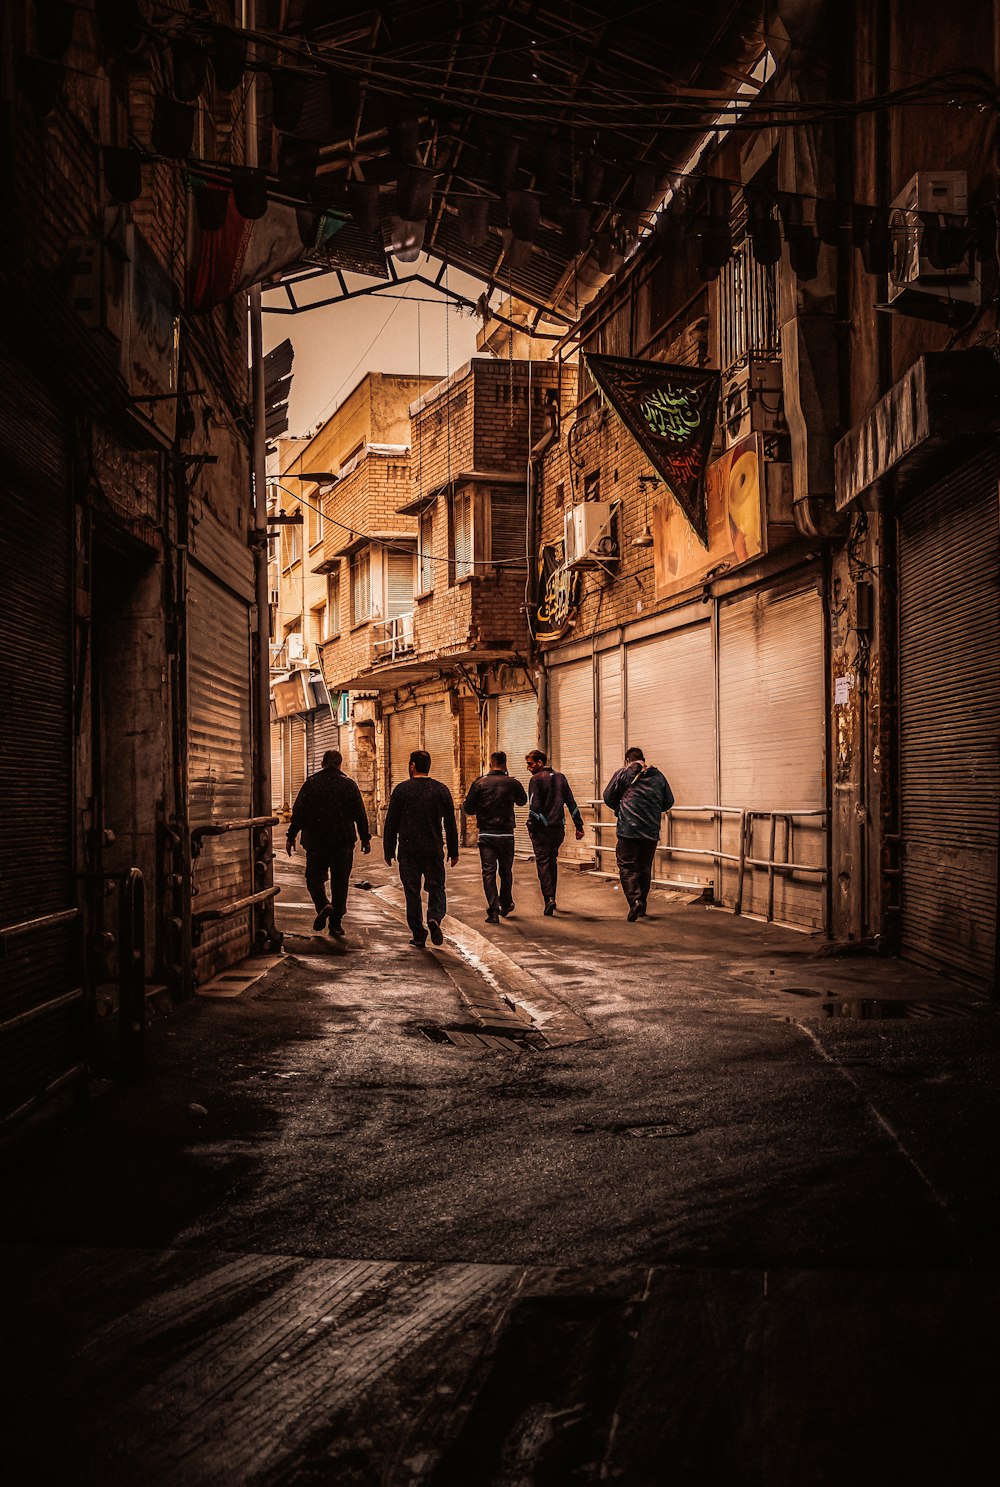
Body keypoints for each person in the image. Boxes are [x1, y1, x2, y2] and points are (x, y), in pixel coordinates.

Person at [286, 749, 371, 937]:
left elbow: (298, 813)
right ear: (340, 765)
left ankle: (323, 905)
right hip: (343, 843)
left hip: (317, 842)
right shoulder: (349, 785)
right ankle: (335, 924)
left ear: (323, 764)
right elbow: (360, 814)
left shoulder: (311, 784)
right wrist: (365, 838)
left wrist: (291, 836)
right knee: (340, 883)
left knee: (313, 879)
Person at [383, 749, 459, 948]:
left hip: (408, 851)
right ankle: (434, 917)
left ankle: (418, 933)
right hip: (433, 849)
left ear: (412, 766)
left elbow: (390, 822)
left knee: (412, 892)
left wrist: (388, 849)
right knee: (436, 887)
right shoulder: (440, 790)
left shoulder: (401, 790)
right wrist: (453, 851)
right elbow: (450, 823)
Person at [602, 746, 674, 922]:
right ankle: (642, 903)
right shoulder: (658, 776)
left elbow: (608, 796)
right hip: (650, 831)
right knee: (644, 868)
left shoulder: (624, 773)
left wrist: (621, 807)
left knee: (627, 867)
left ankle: (635, 901)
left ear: (628, 760)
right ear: (644, 758)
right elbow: (668, 802)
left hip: (628, 830)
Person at [463, 751, 528, 924]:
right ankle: (506, 904)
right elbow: (523, 801)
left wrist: (482, 807)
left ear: (490, 764)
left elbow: (468, 808)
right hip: (506, 834)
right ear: (505, 764)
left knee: (488, 872)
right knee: (506, 871)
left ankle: (493, 910)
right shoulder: (512, 783)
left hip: (487, 835)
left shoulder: (480, 783)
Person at [524, 748, 585, 916]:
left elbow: (534, 807)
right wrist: (579, 826)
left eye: (530, 764)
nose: (528, 768)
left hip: (541, 830)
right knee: (552, 861)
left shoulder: (536, 780)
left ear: (540, 763)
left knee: (543, 863)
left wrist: (531, 824)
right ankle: (552, 896)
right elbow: (571, 803)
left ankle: (549, 898)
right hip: (558, 829)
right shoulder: (560, 778)